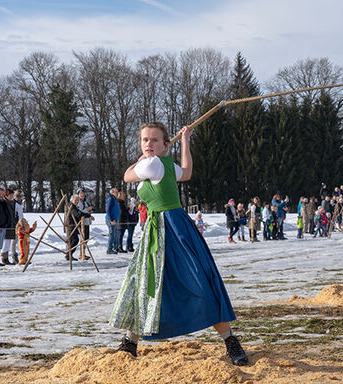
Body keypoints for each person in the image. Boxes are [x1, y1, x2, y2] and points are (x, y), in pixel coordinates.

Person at [109, 122, 247, 366]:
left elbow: (127, 176)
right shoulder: (164, 165)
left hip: (169, 229)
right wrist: (185, 141)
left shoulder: (152, 164)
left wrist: (146, 157)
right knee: (151, 283)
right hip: (164, 229)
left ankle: (229, 341)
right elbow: (186, 170)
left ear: (164, 145)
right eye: (144, 140)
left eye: (154, 140)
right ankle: (131, 341)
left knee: (157, 283)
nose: (148, 144)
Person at [66, 194, 93, 261]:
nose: (77, 201)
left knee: (74, 240)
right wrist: (88, 215)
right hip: (72, 226)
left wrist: (87, 215)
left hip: (75, 226)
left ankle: (69, 254)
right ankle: (68, 254)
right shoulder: (72, 207)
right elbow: (78, 214)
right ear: (72, 200)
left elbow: (80, 213)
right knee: (75, 240)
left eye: (77, 200)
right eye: (75, 200)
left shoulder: (75, 207)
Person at [0, 189, 17, 265]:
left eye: (12, 195)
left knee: (9, 241)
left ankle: (7, 258)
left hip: (12, 224)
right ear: (6, 195)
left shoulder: (12, 203)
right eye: (10, 195)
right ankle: (4, 257)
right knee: (6, 242)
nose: (12, 197)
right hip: (7, 225)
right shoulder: (3, 203)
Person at [76, 189, 94, 259]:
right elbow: (80, 212)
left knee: (86, 238)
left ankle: (83, 252)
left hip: (87, 221)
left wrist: (90, 211)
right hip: (82, 222)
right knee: (83, 238)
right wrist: (88, 209)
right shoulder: (78, 202)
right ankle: (81, 253)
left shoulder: (85, 201)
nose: (82, 195)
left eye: (83, 193)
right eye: (81, 193)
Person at [105, 188, 120, 254]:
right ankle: (109, 249)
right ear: (112, 193)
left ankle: (114, 248)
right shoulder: (110, 199)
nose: (117, 194)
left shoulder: (114, 199)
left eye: (117, 192)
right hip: (111, 220)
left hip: (114, 219)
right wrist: (111, 219)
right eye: (116, 192)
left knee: (114, 234)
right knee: (112, 234)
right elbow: (108, 210)